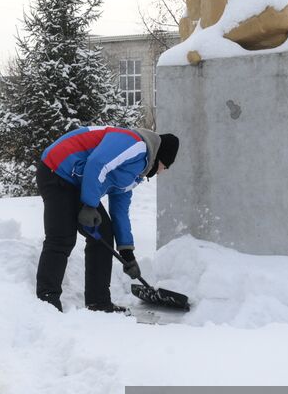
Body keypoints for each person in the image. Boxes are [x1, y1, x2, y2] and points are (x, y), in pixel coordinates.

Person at [35, 126, 180, 313]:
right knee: (62, 237)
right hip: (57, 168)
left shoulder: (136, 174)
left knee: (102, 233)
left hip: (78, 181)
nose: (163, 171)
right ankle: (47, 302)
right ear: (160, 157)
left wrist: (127, 252)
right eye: (165, 166)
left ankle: (99, 302)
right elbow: (97, 163)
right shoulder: (135, 144)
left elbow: (120, 210)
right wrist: (89, 204)